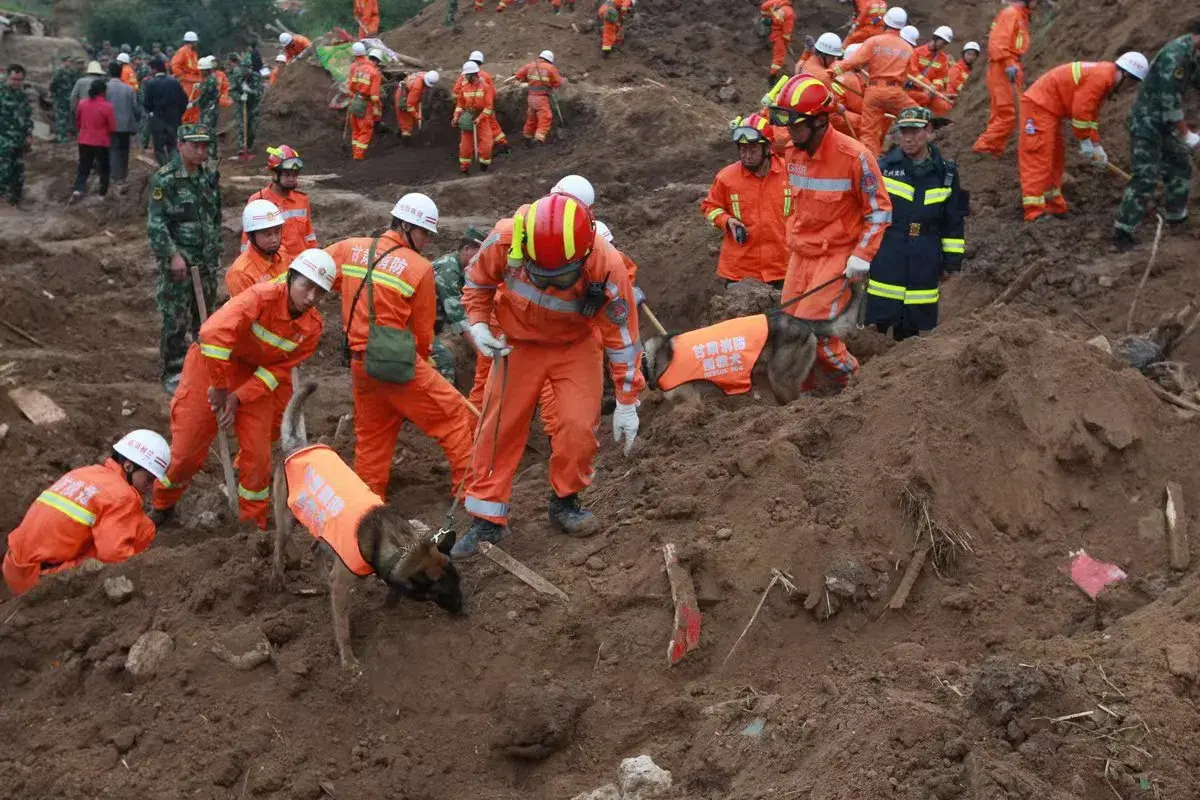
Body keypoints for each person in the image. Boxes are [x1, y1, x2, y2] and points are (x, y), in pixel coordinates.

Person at [451, 194, 644, 559]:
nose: (551, 284)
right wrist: (477, 325)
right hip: (519, 344)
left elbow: (623, 340)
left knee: (577, 428)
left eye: (561, 276)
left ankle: (565, 502)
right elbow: (477, 283)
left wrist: (627, 399)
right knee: (497, 429)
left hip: (576, 346)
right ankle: (486, 520)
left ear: (583, 256)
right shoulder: (504, 239)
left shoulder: (607, 266)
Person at [151, 251, 332, 529]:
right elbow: (212, 336)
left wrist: (238, 397)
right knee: (186, 453)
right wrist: (221, 388)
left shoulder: (311, 327)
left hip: (253, 380)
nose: (311, 297)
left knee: (258, 461)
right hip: (211, 368)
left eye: (319, 292)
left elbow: (279, 370)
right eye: (306, 287)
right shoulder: (261, 297)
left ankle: (252, 528)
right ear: (290, 277)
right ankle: (163, 504)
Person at [322, 194, 476, 500]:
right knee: (456, 417)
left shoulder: (350, 248)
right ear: (405, 225)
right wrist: (422, 365)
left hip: (360, 364)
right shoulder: (419, 268)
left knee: (372, 441)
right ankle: (471, 498)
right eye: (424, 233)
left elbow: (316, 271)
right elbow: (422, 333)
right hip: (398, 363)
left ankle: (368, 507)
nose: (427, 241)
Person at [769, 74, 891, 389]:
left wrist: (862, 256)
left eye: (796, 124)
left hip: (837, 257)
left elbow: (879, 211)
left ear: (820, 123)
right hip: (801, 255)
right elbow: (763, 136)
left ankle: (856, 387)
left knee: (816, 333)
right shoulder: (793, 148)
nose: (790, 131)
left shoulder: (855, 157)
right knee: (788, 331)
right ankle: (808, 396)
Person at [3, 430, 171, 596]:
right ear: (128, 466)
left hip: (14, 565)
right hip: (38, 581)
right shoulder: (122, 496)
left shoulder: (86, 472)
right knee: (143, 529)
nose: (150, 486)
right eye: (148, 479)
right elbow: (113, 555)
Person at [865, 107, 966, 340]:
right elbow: (868, 213)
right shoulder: (884, 169)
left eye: (915, 131)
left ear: (929, 132)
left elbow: (953, 221)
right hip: (889, 250)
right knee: (878, 319)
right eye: (903, 131)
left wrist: (952, 262)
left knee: (915, 322)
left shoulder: (947, 174)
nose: (908, 138)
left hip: (926, 253)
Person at [1019, 53, 1148, 223]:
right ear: (1126, 74)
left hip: (1050, 109)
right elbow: (1080, 112)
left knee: (1055, 156)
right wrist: (1084, 142)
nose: (1129, 88)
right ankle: (1034, 211)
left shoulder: (1106, 79)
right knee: (1040, 156)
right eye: (1132, 83)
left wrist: (1096, 145)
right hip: (1039, 105)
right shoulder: (1101, 78)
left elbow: (1090, 117)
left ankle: (1053, 204)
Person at [147, 124, 222, 393]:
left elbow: (214, 217)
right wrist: (172, 255)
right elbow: (157, 224)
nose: (201, 151)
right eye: (195, 145)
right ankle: (174, 371)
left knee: (207, 318)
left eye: (204, 145)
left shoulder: (208, 176)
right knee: (176, 318)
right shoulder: (166, 179)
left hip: (207, 261)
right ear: (180, 145)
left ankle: (202, 367)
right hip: (180, 263)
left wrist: (216, 249)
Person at [1115, 24, 1200, 247]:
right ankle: (1123, 231)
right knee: (1146, 177)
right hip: (1147, 123)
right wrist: (1186, 134)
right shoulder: (1175, 56)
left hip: (1164, 123)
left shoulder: (1191, 54)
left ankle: (1176, 218)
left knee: (1181, 163)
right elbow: (1169, 101)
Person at [701, 112, 791, 287]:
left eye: (753, 149)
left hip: (782, 268)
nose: (747, 155)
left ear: (768, 149)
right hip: (741, 272)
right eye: (742, 149)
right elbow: (710, 207)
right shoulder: (726, 178)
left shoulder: (790, 174)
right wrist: (727, 221)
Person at [831, 6, 915, 154]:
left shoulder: (873, 41)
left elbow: (853, 62)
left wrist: (832, 70)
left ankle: (871, 166)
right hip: (895, 91)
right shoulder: (908, 48)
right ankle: (914, 148)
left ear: (885, 22)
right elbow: (910, 75)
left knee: (868, 134)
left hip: (874, 92)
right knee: (916, 115)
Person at [972, 0, 1037, 156]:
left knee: (1001, 112)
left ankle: (994, 148)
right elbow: (998, 41)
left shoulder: (1020, 16)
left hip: (1008, 65)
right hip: (1005, 66)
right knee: (1010, 113)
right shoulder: (1012, 14)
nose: (1037, 4)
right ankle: (984, 146)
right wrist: (1008, 63)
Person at [431, 226, 486, 383]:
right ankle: (439, 406)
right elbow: (458, 317)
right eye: (479, 254)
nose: (482, 260)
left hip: (429, 326)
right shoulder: (448, 270)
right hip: (413, 327)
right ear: (466, 249)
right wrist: (481, 351)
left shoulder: (463, 271)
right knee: (444, 363)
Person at [241, 145, 318, 256]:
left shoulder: (302, 200)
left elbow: (309, 236)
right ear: (273, 173)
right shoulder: (258, 201)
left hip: (299, 265)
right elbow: (247, 242)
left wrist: (314, 257)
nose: (292, 179)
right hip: (275, 266)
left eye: (295, 174)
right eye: (287, 174)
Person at [227, 199, 290, 295]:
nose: (274, 239)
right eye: (267, 234)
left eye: (277, 231)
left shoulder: (283, 254)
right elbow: (247, 309)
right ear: (251, 236)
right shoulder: (240, 274)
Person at [71, 78, 115, 203]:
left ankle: (78, 189)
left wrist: (83, 131)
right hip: (101, 141)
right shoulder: (107, 106)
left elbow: (78, 121)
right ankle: (102, 193)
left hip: (84, 140)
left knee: (84, 166)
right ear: (102, 91)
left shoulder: (82, 103)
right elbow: (112, 126)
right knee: (104, 167)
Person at [459, 51, 511, 154]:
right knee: (493, 126)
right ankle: (502, 144)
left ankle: (473, 150)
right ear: (480, 63)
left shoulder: (463, 76)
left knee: (468, 132)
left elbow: (457, 91)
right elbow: (493, 92)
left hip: (469, 109)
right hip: (486, 108)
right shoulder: (486, 75)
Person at [142, 57, 188, 165]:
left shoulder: (150, 84)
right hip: (174, 120)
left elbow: (146, 104)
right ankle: (176, 170)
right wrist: (178, 114)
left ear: (155, 70)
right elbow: (184, 100)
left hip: (158, 121)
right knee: (173, 147)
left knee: (159, 149)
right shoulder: (174, 82)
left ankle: (165, 170)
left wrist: (152, 115)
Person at [453, 60, 495, 173]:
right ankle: (464, 166)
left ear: (473, 75)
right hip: (467, 117)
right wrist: (456, 116)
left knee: (487, 143)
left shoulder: (485, 87)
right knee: (465, 145)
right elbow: (460, 104)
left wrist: (479, 118)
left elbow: (488, 107)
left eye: (466, 75)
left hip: (482, 118)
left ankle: (483, 165)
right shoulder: (464, 87)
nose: (464, 77)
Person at [0, 64, 32, 207]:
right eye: (13, 79)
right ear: (7, 77)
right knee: (3, 171)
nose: (16, 83)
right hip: (3, 141)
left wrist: (29, 134)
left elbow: (27, 117)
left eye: (19, 80)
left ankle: (15, 200)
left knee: (18, 173)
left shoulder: (22, 95)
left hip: (19, 141)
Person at [515, 50, 563, 145]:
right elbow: (558, 83)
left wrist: (528, 80)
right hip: (541, 98)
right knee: (545, 117)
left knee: (531, 118)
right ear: (550, 60)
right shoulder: (550, 68)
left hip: (531, 97)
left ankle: (527, 137)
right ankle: (539, 140)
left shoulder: (530, 66)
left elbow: (518, 76)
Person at [347, 44, 383, 160]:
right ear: (377, 61)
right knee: (366, 130)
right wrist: (377, 108)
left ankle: (355, 153)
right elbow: (374, 97)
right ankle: (358, 156)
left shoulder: (357, 69)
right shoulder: (375, 73)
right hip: (365, 104)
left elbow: (351, 88)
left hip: (355, 101)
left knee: (356, 130)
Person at [906, 25, 953, 108]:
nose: (943, 46)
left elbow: (940, 79)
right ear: (936, 38)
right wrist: (927, 85)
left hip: (930, 93)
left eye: (946, 43)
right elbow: (913, 72)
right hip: (912, 90)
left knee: (944, 106)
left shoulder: (943, 59)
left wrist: (934, 88)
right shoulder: (917, 52)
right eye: (943, 42)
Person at [932, 41, 980, 114]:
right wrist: (967, 92)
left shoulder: (971, 71)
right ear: (964, 54)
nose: (971, 57)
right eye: (969, 54)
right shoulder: (956, 69)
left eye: (973, 55)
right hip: (950, 100)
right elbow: (955, 84)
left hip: (961, 100)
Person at [230, 53, 263, 157]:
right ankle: (241, 147)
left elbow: (258, 93)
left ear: (251, 68)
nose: (245, 70)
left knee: (252, 128)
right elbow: (232, 90)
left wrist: (249, 91)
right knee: (241, 126)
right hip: (241, 105)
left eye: (247, 68)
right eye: (243, 68)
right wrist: (239, 97)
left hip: (253, 105)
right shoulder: (237, 77)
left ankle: (249, 145)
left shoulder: (256, 77)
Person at [394, 69, 439, 143]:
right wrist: (417, 116)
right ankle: (405, 142)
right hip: (403, 97)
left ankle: (401, 131)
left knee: (412, 118)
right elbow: (409, 105)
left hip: (410, 94)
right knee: (406, 121)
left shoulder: (424, 74)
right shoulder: (417, 87)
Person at [761, 0, 794, 84]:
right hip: (779, 36)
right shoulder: (790, 13)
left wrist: (765, 18)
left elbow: (764, 6)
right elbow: (787, 33)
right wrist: (786, 41)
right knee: (779, 57)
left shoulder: (776, 2)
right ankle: (772, 77)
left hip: (772, 30)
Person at [50, 55, 78, 142]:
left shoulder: (72, 72)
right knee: (61, 117)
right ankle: (60, 136)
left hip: (69, 98)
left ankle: (66, 134)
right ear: (63, 62)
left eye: (70, 61)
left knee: (67, 117)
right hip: (60, 98)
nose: (69, 63)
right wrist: (55, 95)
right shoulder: (59, 72)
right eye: (68, 61)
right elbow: (53, 84)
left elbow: (74, 84)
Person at [171, 31, 201, 103]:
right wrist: (182, 77)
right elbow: (175, 65)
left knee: (196, 105)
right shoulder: (182, 51)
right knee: (188, 105)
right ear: (191, 42)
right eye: (195, 42)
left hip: (195, 82)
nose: (196, 44)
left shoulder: (193, 53)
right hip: (187, 83)